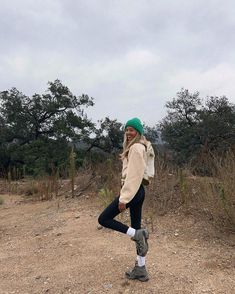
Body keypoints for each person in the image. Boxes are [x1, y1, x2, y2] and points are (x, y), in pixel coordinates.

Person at [98, 117, 154, 282]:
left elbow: (134, 176)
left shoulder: (136, 148)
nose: (128, 133)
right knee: (138, 229)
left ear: (138, 131)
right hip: (139, 191)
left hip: (133, 191)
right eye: (127, 129)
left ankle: (136, 234)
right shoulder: (142, 145)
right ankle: (141, 269)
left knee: (104, 219)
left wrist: (124, 198)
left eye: (132, 130)